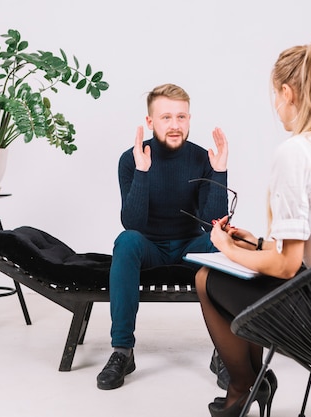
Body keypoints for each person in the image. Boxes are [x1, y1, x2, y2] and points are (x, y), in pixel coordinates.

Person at [195, 39, 311, 417]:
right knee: (250, 259)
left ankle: (242, 387)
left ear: (287, 92)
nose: (276, 107)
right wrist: (255, 242)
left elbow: (285, 267)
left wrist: (224, 247)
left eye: (275, 97)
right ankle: (251, 385)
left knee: (206, 278)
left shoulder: (295, 152)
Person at [96, 83, 229, 390]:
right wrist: (143, 172)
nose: (174, 125)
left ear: (189, 119)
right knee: (126, 240)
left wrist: (219, 171)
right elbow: (132, 222)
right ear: (150, 121)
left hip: (189, 246)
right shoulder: (130, 160)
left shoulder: (200, 158)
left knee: (220, 241)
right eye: (166, 117)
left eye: (181, 117)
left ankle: (224, 352)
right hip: (149, 247)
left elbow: (214, 225)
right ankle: (122, 351)